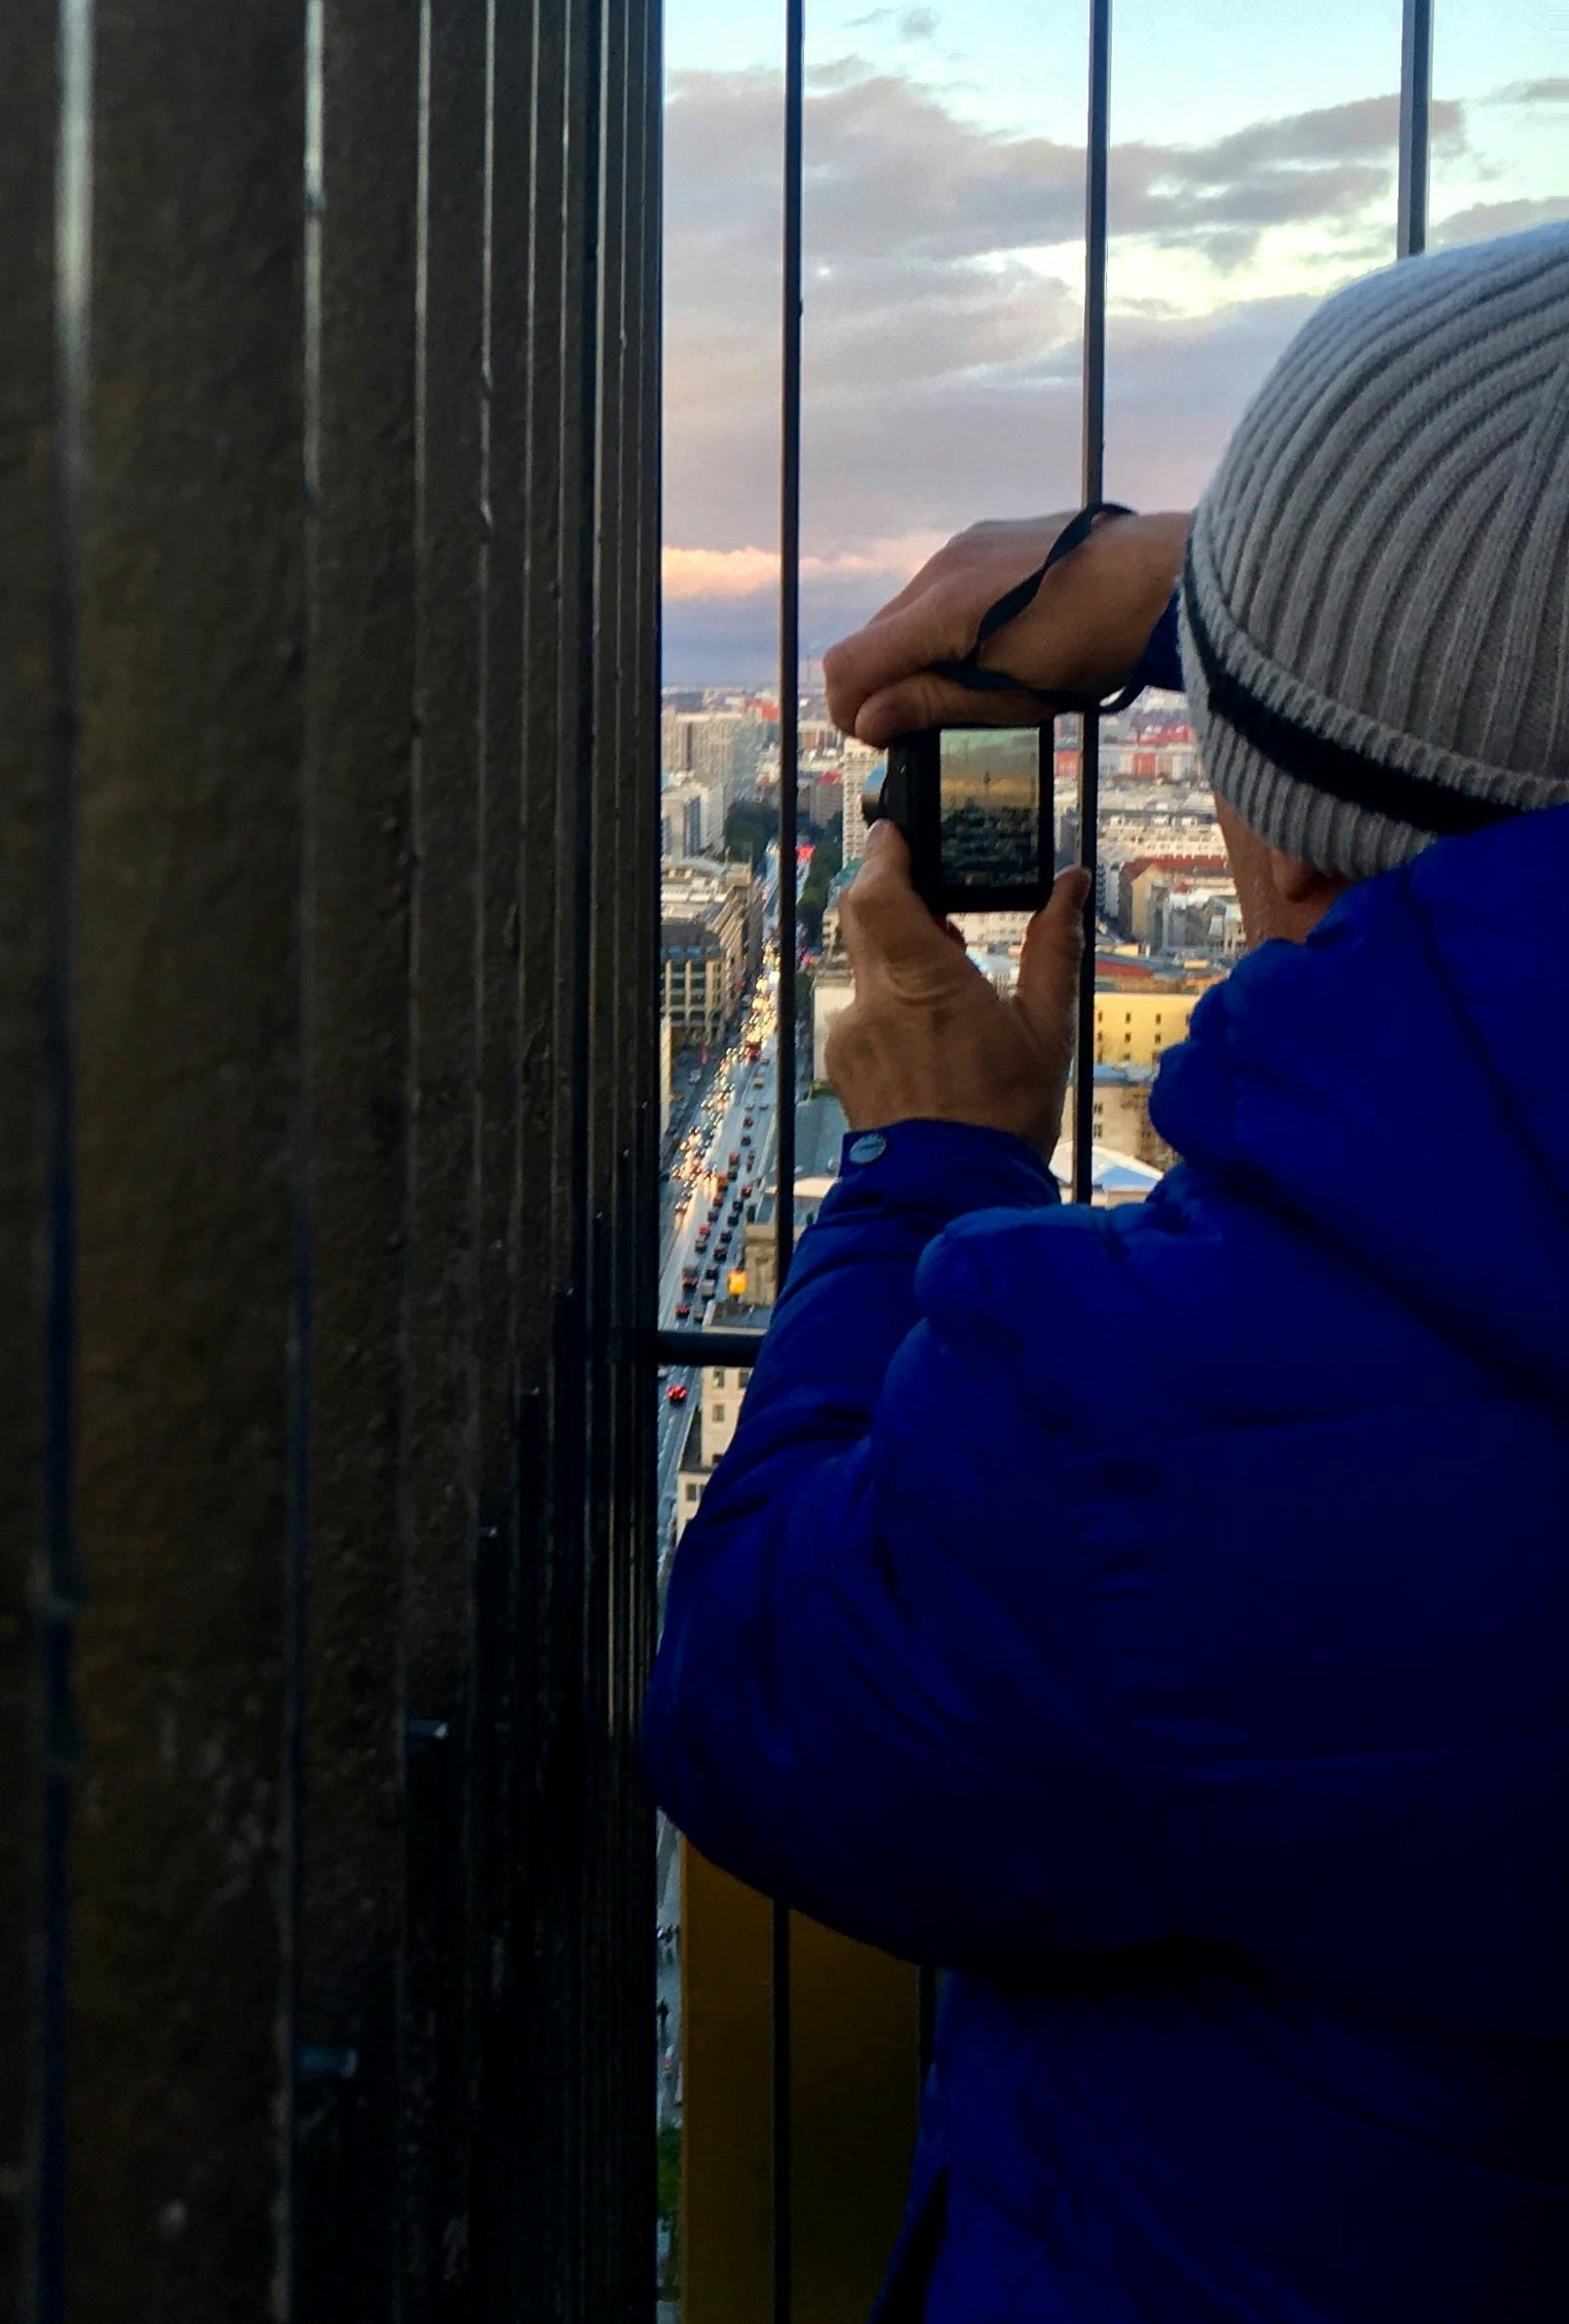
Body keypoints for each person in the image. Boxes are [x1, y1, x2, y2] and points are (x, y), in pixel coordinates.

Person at [641, 216, 1569, 2322]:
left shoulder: (1193, 1426)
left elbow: (765, 1700)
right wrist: (1177, 580)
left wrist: (934, 1170)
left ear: (1275, 830)